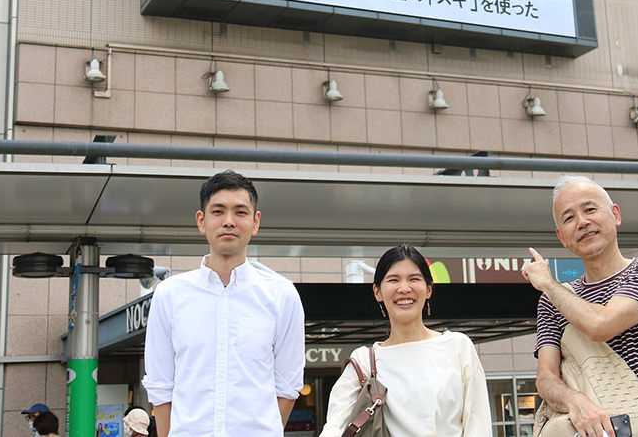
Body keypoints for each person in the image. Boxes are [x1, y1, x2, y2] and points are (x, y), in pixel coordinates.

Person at [142, 170, 305, 437]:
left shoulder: (282, 295)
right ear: (201, 221)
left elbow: (288, 386)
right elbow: (160, 386)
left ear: (255, 222)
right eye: (218, 211)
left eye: (240, 212)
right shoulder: (170, 294)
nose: (229, 221)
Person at [522, 175, 638, 437]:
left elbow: (601, 325)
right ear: (562, 237)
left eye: (590, 209)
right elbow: (546, 377)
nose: (582, 222)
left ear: (615, 214)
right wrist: (574, 400)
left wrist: (549, 284)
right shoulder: (551, 303)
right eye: (569, 218)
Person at [318, 244, 490, 436]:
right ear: (377, 292)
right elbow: (334, 427)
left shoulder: (458, 347)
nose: (404, 288)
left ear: (428, 290)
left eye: (414, 279)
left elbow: (478, 424)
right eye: (393, 280)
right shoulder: (364, 361)